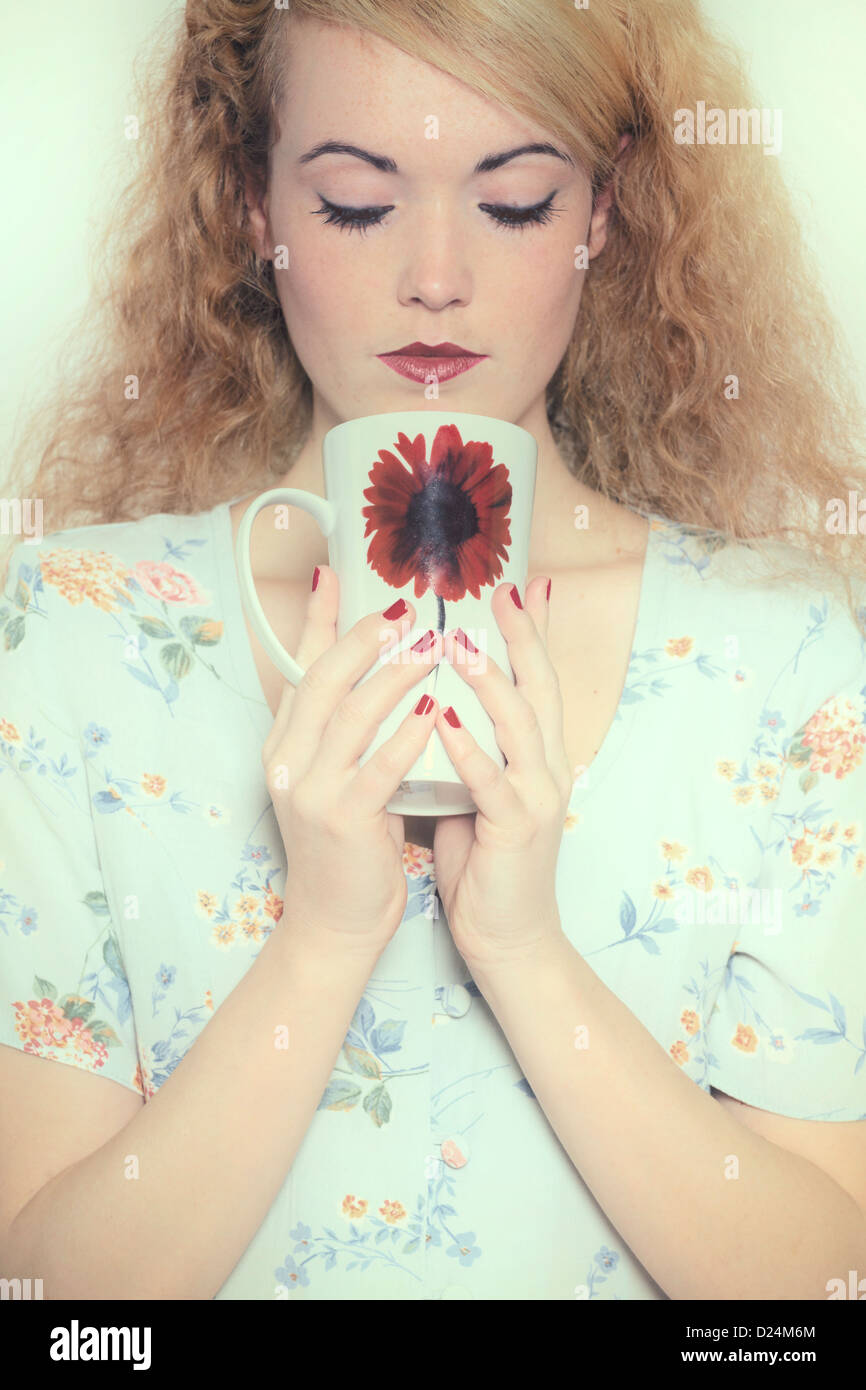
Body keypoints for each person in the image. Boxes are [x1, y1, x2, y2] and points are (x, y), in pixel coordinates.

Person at [1, 0, 865, 1302]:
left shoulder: (784, 652)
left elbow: (813, 1301)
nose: (436, 276)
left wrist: (520, 948)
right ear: (255, 208)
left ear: (602, 212)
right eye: (355, 202)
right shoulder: (72, 628)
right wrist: (321, 938)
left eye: (514, 200)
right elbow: (57, 1311)